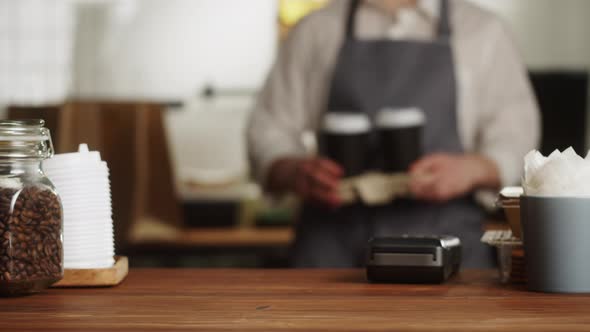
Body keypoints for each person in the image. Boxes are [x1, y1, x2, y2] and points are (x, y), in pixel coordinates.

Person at [247, 0, 540, 268]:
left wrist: (473, 169)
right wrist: (292, 170)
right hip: (329, 250)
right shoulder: (316, 29)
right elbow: (268, 128)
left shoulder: (484, 31)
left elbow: (517, 135)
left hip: (448, 247)